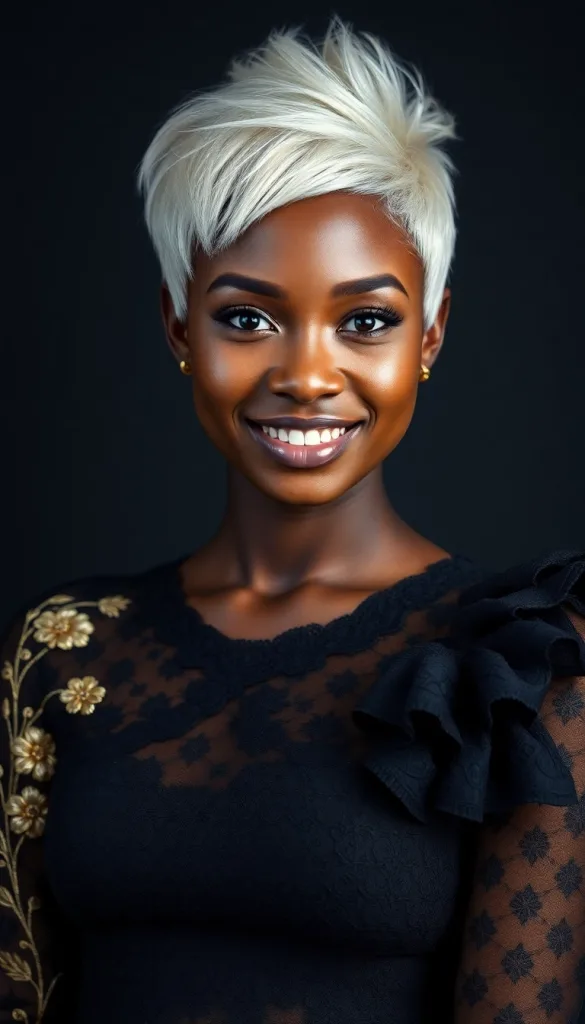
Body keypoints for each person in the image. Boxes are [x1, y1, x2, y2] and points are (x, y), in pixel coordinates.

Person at [1, 15, 584, 1024]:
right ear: (178, 326)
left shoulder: (520, 667)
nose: (308, 375)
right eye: (247, 316)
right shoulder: (61, 648)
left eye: (366, 320)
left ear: (430, 336)